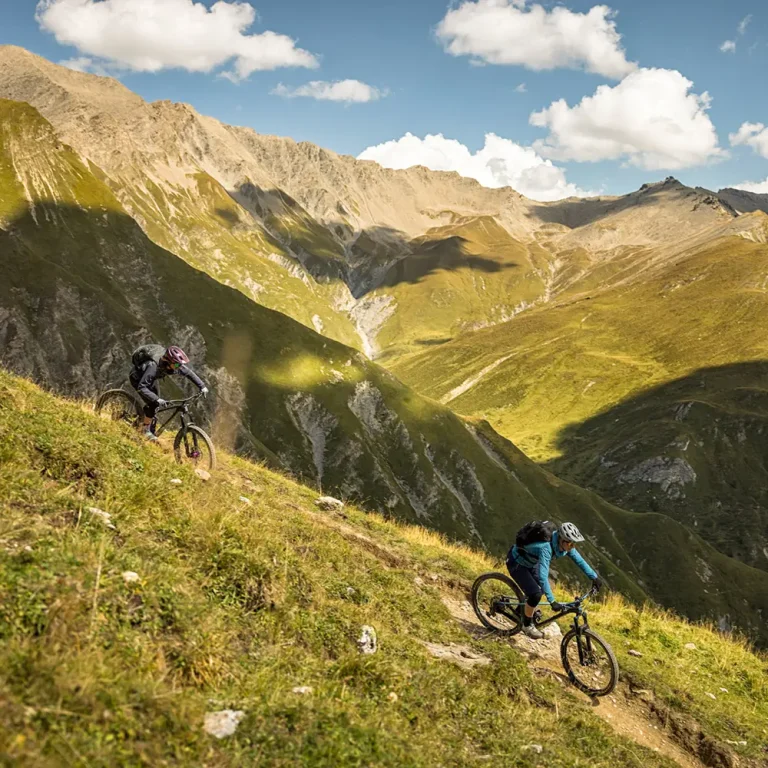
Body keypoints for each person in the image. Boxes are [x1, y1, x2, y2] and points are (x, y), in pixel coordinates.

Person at [506, 521, 602, 640]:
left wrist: (594, 577)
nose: (572, 547)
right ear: (562, 540)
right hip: (517, 563)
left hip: (531, 563)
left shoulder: (564, 545)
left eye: (574, 544)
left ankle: (523, 610)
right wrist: (552, 601)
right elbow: (542, 577)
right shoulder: (546, 548)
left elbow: (579, 560)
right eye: (571, 544)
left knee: (539, 589)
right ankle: (526, 626)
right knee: (535, 594)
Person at [129, 344, 208, 441]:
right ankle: (144, 430)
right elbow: (142, 387)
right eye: (176, 364)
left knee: (154, 405)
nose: (178, 367)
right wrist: (157, 399)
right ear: (168, 361)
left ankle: (144, 418)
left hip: (151, 379)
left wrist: (202, 386)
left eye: (179, 365)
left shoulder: (173, 365)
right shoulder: (153, 366)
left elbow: (189, 373)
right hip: (138, 379)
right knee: (154, 403)